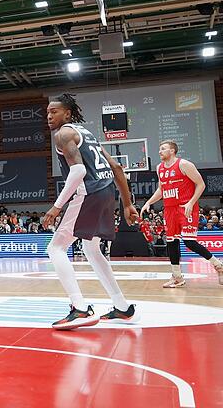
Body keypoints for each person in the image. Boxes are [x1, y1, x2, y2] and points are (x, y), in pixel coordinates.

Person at [43, 94, 139, 330]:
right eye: (47, 112)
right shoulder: (87, 134)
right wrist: (127, 204)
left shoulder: (63, 134)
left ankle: (80, 309)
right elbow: (116, 167)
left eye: (54, 111)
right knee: (91, 249)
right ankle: (122, 307)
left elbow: (77, 173)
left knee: (55, 248)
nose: (49, 116)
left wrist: (56, 208)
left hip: (90, 193)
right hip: (107, 193)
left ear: (67, 113)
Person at [141, 140, 223, 287]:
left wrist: (191, 202)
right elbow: (161, 190)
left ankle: (218, 265)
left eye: (163, 149)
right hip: (170, 209)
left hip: (185, 207)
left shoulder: (184, 164)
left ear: (172, 151)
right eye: (160, 149)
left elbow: (201, 184)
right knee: (171, 243)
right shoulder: (159, 167)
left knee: (189, 241)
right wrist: (149, 202)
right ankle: (177, 277)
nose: (160, 151)